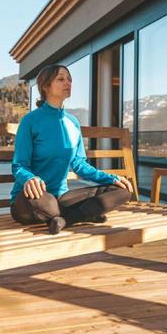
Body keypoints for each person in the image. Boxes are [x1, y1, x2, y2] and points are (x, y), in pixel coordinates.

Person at [10, 64, 134, 234]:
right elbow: (19, 165)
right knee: (46, 205)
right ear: (46, 86)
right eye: (61, 79)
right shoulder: (30, 121)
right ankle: (85, 214)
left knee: (123, 191)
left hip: (61, 197)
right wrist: (30, 179)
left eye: (69, 79)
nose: (67, 82)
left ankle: (67, 219)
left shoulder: (73, 123)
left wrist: (111, 178)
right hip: (33, 198)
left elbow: (79, 164)